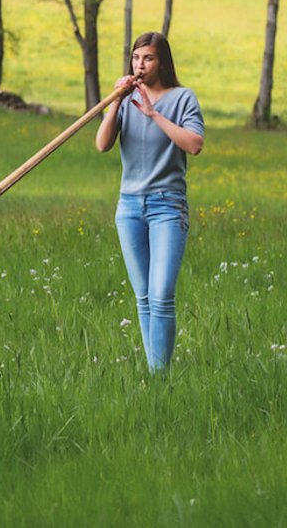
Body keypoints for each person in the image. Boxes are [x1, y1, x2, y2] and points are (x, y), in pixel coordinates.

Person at [95, 31, 204, 374]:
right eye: (136, 58)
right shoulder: (125, 100)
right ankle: (154, 373)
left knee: (161, 295)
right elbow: (102, 144)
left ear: (163, 62)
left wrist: (153, 113)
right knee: (143, 297)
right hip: (129, 207)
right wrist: (116, 100)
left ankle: (161, 376)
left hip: (167, 206)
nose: (141, 65)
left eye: (149, 58)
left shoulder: (183, 98)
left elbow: (194, 144)